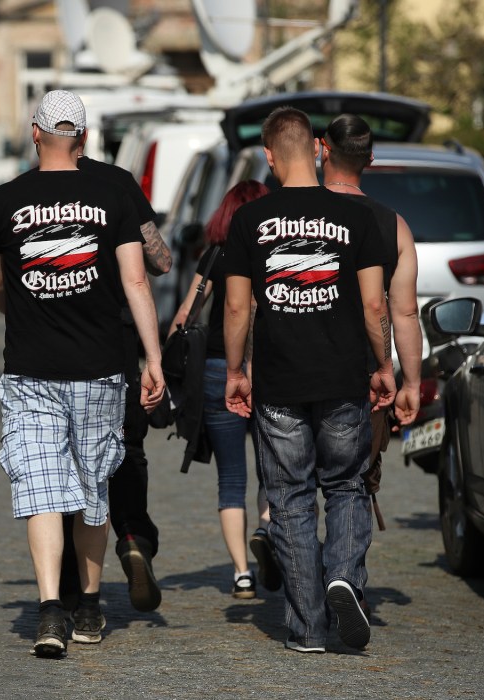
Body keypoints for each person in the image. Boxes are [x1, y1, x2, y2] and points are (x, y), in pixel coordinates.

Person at [0, 90, 165, 658]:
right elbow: (138, 280)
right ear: (83, 138)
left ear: (35, 133)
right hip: (101, 368)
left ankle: (49, 611)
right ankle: (87, 603)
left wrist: (25, 308)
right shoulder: (112, 191)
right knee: (91, 490)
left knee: (40, 491)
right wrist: (153, 359)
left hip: (31, 369)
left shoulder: (8, 197)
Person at [223, 106, 395, 653]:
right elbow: (375, 304)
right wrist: (384, 366)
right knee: (345, 485)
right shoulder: (358, 218)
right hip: (343, 378)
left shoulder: (249, 221)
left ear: (269, 157)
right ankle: (344, 574)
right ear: (318, 149)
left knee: (292, 498)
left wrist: (235, 371)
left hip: (279, 384)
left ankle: (307, 628)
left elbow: (235, 309)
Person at [58, 148, 172, 615]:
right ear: (84, 135)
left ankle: (69, 580)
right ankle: (133, 537)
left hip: (56, 336)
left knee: (63, 453)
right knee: (125, 445)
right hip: (120, 336)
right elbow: (160, 261)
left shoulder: (31, 187)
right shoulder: (118, 182)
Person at [168, 180, 282, 598]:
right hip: (270, 372)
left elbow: (186, 312)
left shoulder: (216, 254)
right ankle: (267, 530)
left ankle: (241, 573)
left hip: (216, 371)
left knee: (230, 478)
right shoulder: (275, 254)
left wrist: (165, 359)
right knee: (275, 469)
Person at [321, 114, 423, 519]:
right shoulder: (393, 225)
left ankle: (272, 532)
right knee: (352, 484)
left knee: (290, 482)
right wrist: (410, 382)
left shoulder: (293, 211)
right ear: (370, 160)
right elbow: (404, 311)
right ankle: (343, 576)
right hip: (362, 378)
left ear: (323, 149)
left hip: (292, 368)